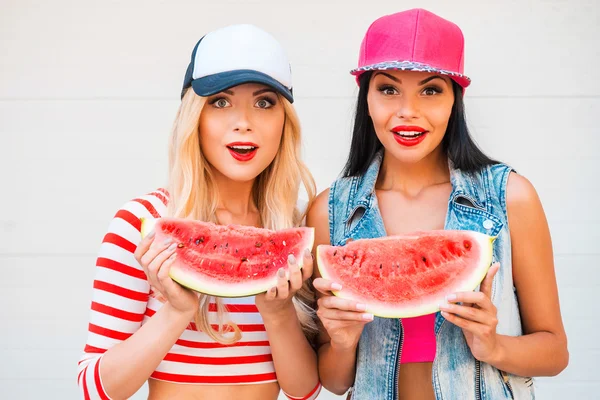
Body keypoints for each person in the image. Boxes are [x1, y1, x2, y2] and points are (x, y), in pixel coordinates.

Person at [307, 8, 568, 399]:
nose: (407, 111)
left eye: (430, 90)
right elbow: (335, 380)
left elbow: (555, 352)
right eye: (388, 89)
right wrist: (343, 342)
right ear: (367, 98)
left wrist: (492, 345)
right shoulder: (331, 210)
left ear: (454, 100)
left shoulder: (509, 197)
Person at [77, 24, 321, 400]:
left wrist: (277, 314)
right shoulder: (142, 223)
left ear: (284, 123)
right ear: (195, 119)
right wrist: (176, 312)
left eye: (264, 102)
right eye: (220, 101)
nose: (244, 122)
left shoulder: (292, 228)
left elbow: (304, 389)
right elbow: (95, 388)